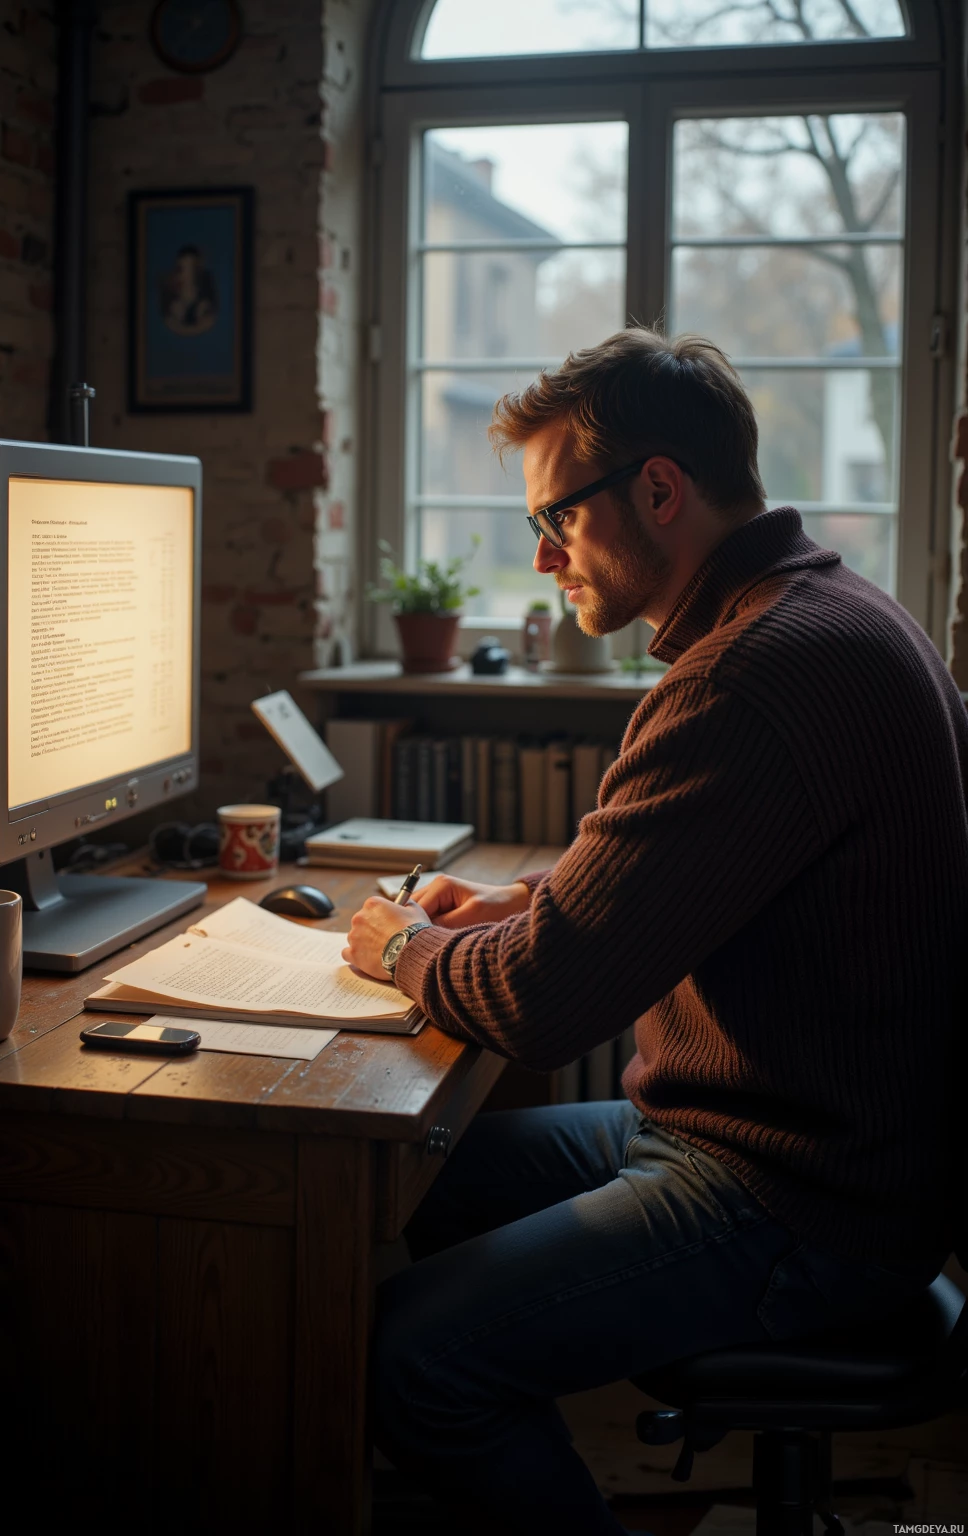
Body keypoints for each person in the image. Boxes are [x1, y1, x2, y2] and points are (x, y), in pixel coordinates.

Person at [342, 327, 968, 1535]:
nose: (539, 558)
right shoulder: (829, 611)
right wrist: (531, 905)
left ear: (658, 489)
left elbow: (541, 1008)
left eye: (556, 521)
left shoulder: (750, 676)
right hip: (802, 1143)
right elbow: (712, 873)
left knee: (414, 1360)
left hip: (796, 1201)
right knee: (401, 1178)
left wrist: (399, 947)